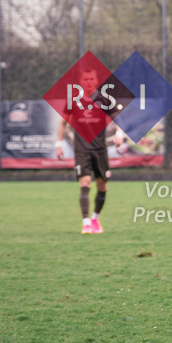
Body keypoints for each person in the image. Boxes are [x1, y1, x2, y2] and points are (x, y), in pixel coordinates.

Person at [56, 67, 116, 234]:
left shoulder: (104, 100)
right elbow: (63, 122)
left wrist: (119, 134)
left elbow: (118, 119)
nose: (89, 82)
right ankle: (86, 222)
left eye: (91, 79)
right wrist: (58, 144)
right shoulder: (73, 101)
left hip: (100, 150)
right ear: (81, 83)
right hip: (82, 150)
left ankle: (95, 218)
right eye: (85, 80)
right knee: (85, 183)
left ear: (96, 81)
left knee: (102, 187)